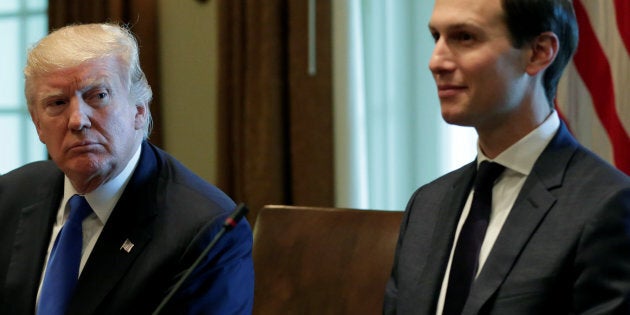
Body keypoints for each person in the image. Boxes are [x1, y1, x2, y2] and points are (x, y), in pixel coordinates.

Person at [384, 0, 630, 314]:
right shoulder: (426, 204)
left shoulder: (608, 205)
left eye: (464, 38)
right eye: (436, 37)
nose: (436, 62)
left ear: (539, 52)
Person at [0, 23, 254, 314]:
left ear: (139, 109)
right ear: (37, 125)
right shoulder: (10, 196)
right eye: (57, 103)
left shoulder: (205, 232)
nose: (77, 120)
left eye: (98, 96)